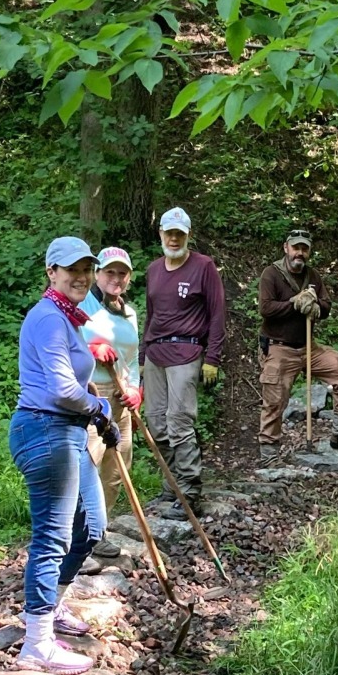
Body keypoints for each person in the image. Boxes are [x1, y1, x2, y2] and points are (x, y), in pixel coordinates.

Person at [9, 236, 122, 675]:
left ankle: (51, 608)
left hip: (68, 432)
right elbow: (59, 390)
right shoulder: (48, 319)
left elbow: (69, 380)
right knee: (53, 535)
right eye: (70, 268)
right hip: (45, 431)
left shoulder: (68, 318)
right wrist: (100, 409)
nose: (80, 276)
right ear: (51, 272)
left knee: (91, 525)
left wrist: (91, 394)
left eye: (86, 268)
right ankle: (37, 643)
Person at [140, 207, 226, 517]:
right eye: (169, 233)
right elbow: (150, 315)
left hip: (187, 352)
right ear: (160, 234)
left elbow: (217, 314)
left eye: (179, 234)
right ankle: (171, 485)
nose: (173, 239)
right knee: (156, 422)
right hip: (155, 353)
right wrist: (141, 356)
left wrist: (212, 357)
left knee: (179, 421)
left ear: (188, 235)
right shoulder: (153, 270)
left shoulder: (203, 266)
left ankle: (190, 493)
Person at [258, 228, 338, 465]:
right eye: (296, 247)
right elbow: (265, 309)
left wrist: (318, 306)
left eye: (304, 248)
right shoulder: (272, 274)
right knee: (275, 397)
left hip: (309, 347)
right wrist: (293, 303)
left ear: (309, 251)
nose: (300, 252)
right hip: (279, 347)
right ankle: (269, 451)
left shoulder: (313, 276)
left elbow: (327, 305)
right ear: (286, 248)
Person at [79, 246, 141, 556]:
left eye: (122, 273)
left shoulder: (128, 313)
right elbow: (66, 344)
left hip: (120, 398)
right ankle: (80, 537)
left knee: (117, 469)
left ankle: (98, 532)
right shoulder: (82, 306)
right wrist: (91, 350)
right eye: (109, 272)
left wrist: (135, 389)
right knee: (90, 463)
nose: (116, 278)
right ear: (97, 275)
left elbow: (133, 356)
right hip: (92, 397)